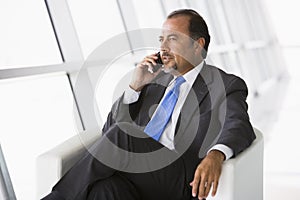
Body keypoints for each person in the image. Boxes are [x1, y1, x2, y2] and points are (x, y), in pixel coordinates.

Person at [42, 9, 256, 200]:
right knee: (104, 190)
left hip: (181, 181)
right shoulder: (155, 82)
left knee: (124, 134)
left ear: (198, 45)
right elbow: (109, 132)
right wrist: (136, 86)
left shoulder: (225, 85)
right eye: (161, 40)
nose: (163, 47)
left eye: (172, 39)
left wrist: (216, 155)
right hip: (144, 178)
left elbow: (238, 125)